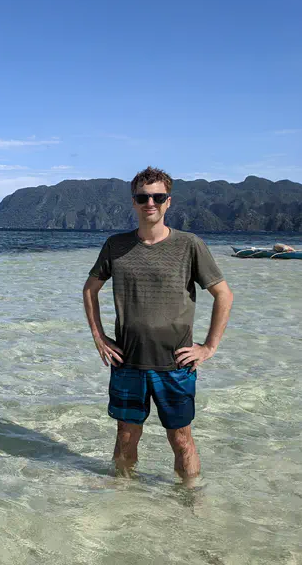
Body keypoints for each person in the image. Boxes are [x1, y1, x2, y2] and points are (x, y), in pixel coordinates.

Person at [82, 167, 234, 483]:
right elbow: (90, 289)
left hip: (175, 364)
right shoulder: (115, 245)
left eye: (157, 197)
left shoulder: (189, 245)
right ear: (134, 202)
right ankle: (123, 499)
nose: (149, 203)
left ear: (168, 202)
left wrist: (208, 348)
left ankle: (190, 500)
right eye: (142, 197)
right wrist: (98, 336)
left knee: (180, 438)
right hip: (128, 361)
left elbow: (224, 295)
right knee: (125, 435)